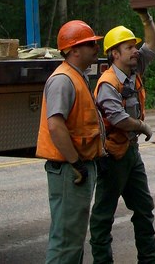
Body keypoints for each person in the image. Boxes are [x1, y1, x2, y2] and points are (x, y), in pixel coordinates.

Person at [89, 9, 155, 264]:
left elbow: (152, 43)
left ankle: (149, 260)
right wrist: (142, 127)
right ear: (114, 54)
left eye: (134, 46)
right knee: (102, 218)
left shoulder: (134, 68)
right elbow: (118, 118)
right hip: (112, 157)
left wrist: (146, 18)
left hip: (131, 154)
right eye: (129, 47)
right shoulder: (108, 83)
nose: (135, 51)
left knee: (144, 208)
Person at [37, 19, 106, 264]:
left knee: (73, 240)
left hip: (76, 167)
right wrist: (76, 163)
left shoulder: (77, 77)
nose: (96, 48)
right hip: (69, 170)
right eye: (89, 44)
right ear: (74, 50)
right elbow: (56, 126)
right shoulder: (62, 80)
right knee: (66, 242)